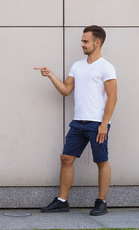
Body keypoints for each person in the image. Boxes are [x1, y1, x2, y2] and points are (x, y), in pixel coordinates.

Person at [34, 25, 117, 216]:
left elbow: (113, 97)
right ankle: (62, 201)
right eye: (82, 41)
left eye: (85, 41)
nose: (82, 44)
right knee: (66, 158)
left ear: (97, 42)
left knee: (101, 161)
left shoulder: (106, 67)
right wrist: (50, 75)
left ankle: (101, 202)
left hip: (97, 123)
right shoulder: (77, 66)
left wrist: (104, 123)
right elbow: (65, 90)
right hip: (78, 122)